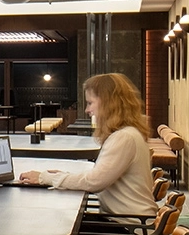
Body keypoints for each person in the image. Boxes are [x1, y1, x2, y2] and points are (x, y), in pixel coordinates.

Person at [19, 72, 156, 217]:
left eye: (90, 103)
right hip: (128, 222)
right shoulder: (128, 133)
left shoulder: (124, 137)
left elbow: (94, 182)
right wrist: (63, 176)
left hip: (128, 229)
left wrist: (45, 178)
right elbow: (97, 177)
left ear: (109, 103)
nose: (87, 110)